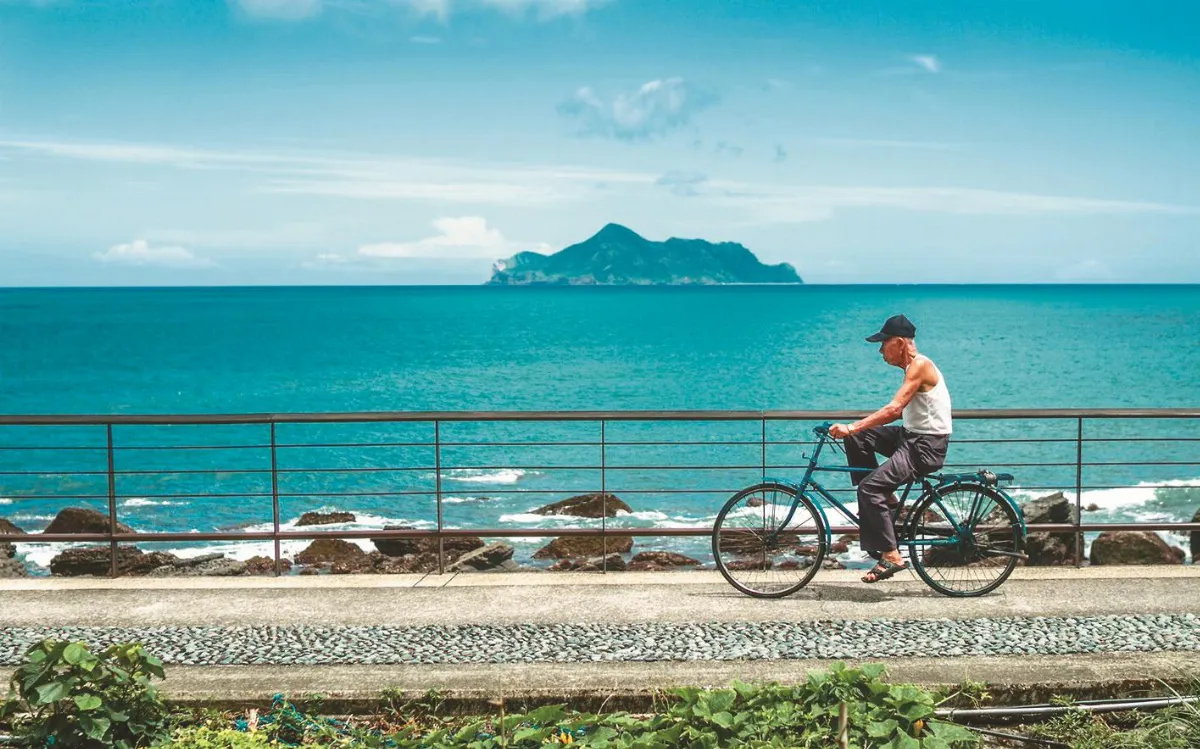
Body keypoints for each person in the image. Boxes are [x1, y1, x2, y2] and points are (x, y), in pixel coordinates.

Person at [828, 314, 952, 583]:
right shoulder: (912, 368)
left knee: (869, 488)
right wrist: (855, 431)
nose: (880, 350)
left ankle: (892, 555)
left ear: (898, 343)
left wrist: (852, 426)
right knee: (859, 438)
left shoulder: (920, 365)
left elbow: (895, 409)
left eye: (883, 343)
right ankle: (887, 500)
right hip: (910, 437)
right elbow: (898, 415)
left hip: (924, 447)